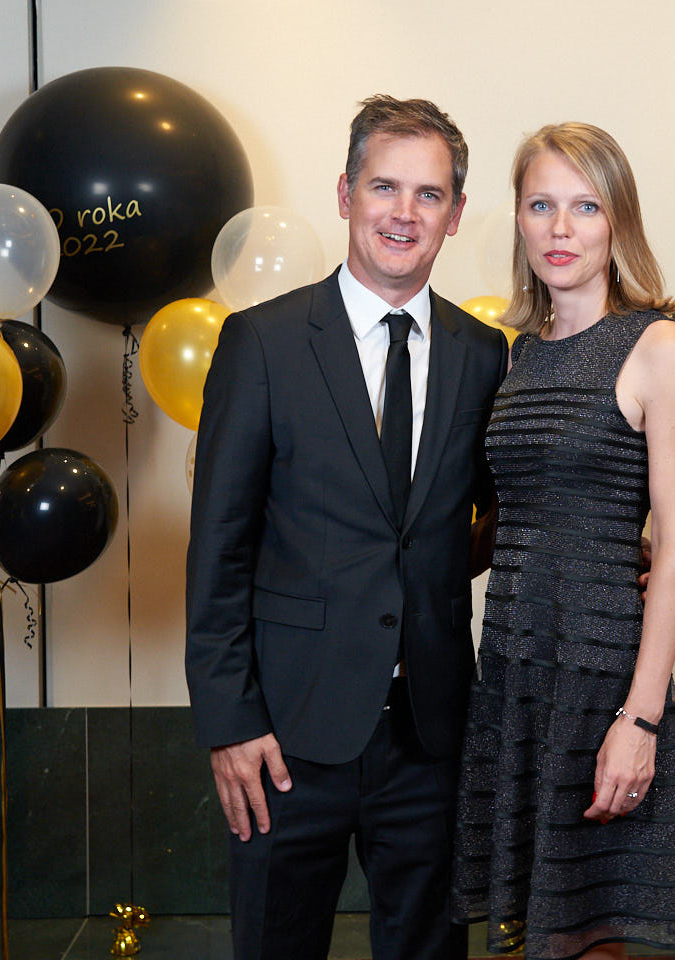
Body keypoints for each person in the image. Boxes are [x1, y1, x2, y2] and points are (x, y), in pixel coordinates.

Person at [185, 95, 508, 960]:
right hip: (285, 736)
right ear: (344, 194)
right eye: (383, 187)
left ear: (454, 213)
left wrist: (611, 544)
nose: (404, 213)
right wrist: (228, 722)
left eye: (428, 194)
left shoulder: (483, 354)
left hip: (431, 734)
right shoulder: (262, 343)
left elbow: (495, 513)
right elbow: (217, 549)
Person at [451, 123, 675, 958]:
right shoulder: (515, 357)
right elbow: (508, 518)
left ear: (617, 221)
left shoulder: (657, 346)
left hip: (602, 672)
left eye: (584, 206)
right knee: (540, 928)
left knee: (593, 928)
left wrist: (638, 720)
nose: (560, 228)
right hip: (512, 663)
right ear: (518, 219)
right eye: (541, 206)